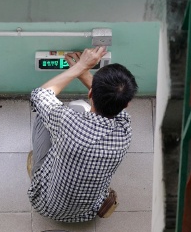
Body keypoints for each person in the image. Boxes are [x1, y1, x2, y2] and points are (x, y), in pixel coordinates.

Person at [27, 46, 138, 221]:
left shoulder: (67, 122)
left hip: (45, 205)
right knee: (74, 109)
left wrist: (79, 67)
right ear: (126, 105)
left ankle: (35, 168)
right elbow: (110, 99)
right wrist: (82, 72)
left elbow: (39, 95)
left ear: (90, 93)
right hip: (87, 213)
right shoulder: (125, 131)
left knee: (43, 114)